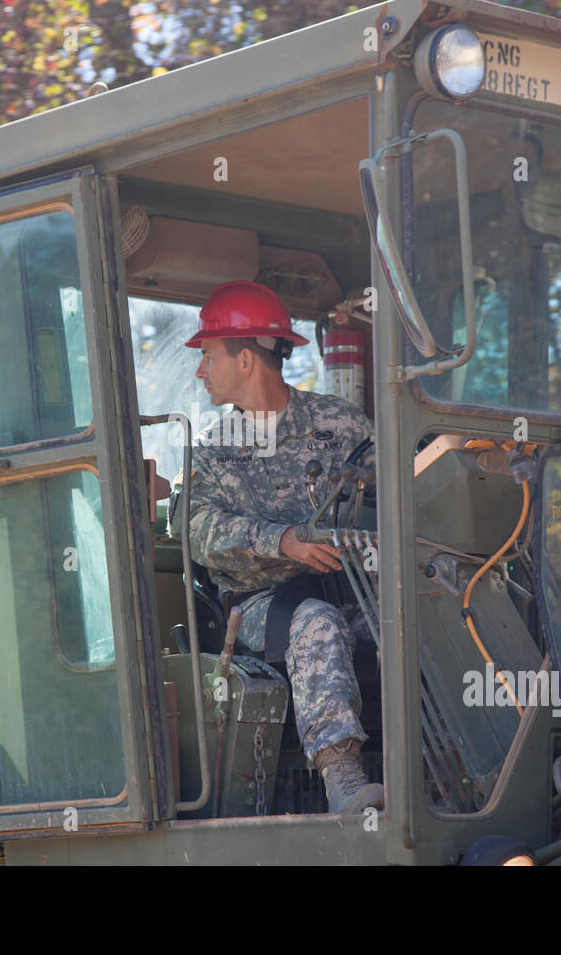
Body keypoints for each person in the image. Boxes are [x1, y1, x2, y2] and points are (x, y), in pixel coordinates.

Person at [169, 280, 384, 814]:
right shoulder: (214, 449)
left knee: (414, 613)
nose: (200, 371)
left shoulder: (341, 426)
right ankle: (345, 781)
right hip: (263, 609)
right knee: (316, 623)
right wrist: (282, 542)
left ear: (246, 360)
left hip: (351, 591)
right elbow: (195, 529)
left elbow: (407, 489)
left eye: (208, 356)